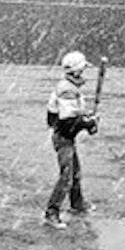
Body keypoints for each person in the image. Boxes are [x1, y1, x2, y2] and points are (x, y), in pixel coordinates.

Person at [43, 51, 98, 229]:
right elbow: (67, 122)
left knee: (75, 173)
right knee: (66, 176)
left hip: (66, 137)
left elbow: (70, 115)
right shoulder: (67, 90)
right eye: (81, 70)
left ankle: (77, 204)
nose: (83, 74)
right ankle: (52, 212)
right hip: (63, 138)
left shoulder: (69, 87)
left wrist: (87, 119)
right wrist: (86, 124)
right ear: (75, 71)